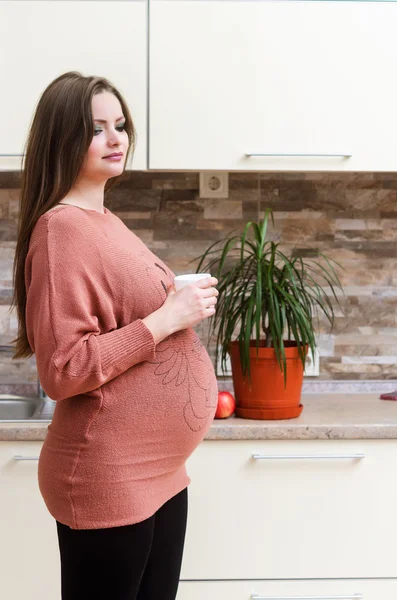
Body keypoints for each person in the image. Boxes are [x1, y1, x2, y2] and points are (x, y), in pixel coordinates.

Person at [10, 71, 219, 600]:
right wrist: (165, 320)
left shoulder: (103, 219)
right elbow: (62, 369)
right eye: (96, 128)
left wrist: (177, 312)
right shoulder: (62, 229)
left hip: (161, 471)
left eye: (120, 125)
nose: (116, 138)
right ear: (63, 138)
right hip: (108, 473)